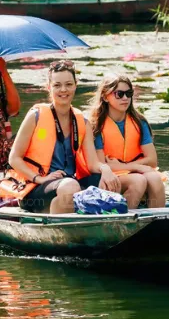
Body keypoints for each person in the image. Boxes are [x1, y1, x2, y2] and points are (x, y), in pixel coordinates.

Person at [6, 59, 121, 214]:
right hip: (34, 187)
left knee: (108, 181)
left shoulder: (82, 121)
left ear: (75, 85)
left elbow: (93, 163)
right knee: (70, 186)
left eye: (68, 84)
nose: (63, 90)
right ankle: (58, 227)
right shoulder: (36, 115)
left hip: (68, 181)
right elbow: (14, 159)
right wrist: (39, 179)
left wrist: (106, 169)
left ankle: (96, 222)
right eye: (57, 85)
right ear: (49, 87)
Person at [89, 73, 165, 208]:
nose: (125, 98)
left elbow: (152, 159)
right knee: (139, 180)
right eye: (119, 94)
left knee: (155, 178)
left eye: (128, 93)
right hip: (107, 175)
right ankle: (122, 225)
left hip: (132, 170)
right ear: (106, 97)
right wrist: (136, 166)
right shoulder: (96, 126)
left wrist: (125, 166)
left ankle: (158, 222)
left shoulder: (139, 122)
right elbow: (101, 165)